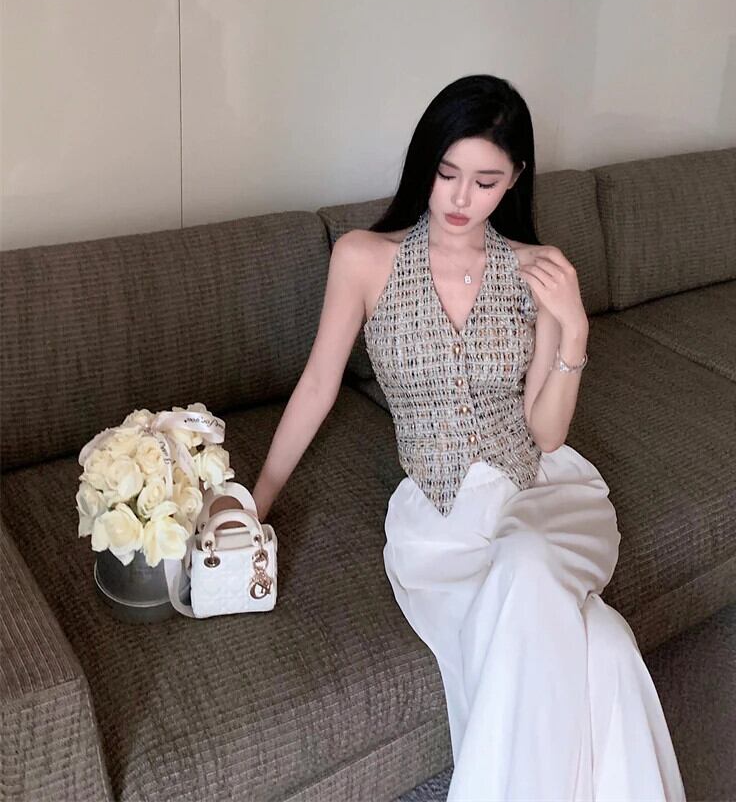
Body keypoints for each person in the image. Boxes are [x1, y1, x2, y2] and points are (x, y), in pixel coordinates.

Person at [251, 74, 687, 801]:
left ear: (514, 178)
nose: (460, 198)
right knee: (604, 644)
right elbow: (320, 384)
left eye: (485, 182)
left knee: (528, 555)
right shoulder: (362, 257)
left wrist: (575, 329)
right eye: (446, 172)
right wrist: (256, 499)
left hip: (541, 495)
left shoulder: (537, 270)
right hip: (442, 522)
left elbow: (546, 430)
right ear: (424, 162)